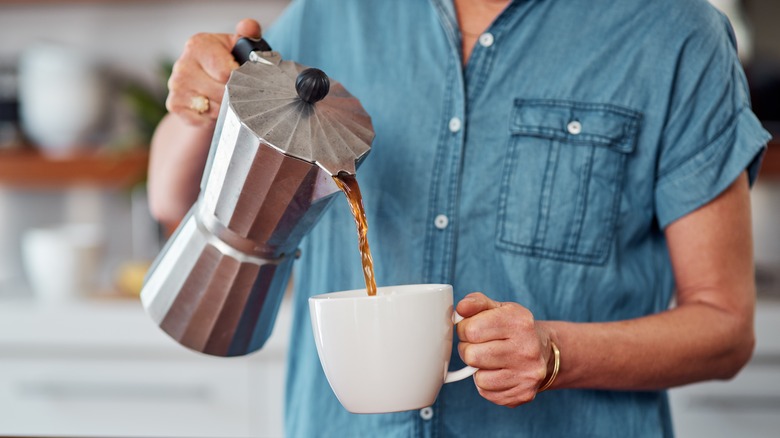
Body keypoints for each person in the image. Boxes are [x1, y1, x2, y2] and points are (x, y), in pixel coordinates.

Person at [148, 0, 771, 436]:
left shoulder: (674, 34)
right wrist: (196, 107)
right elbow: (172, 201)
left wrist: (556, 352)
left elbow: (724, 327)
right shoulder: (330, 12)